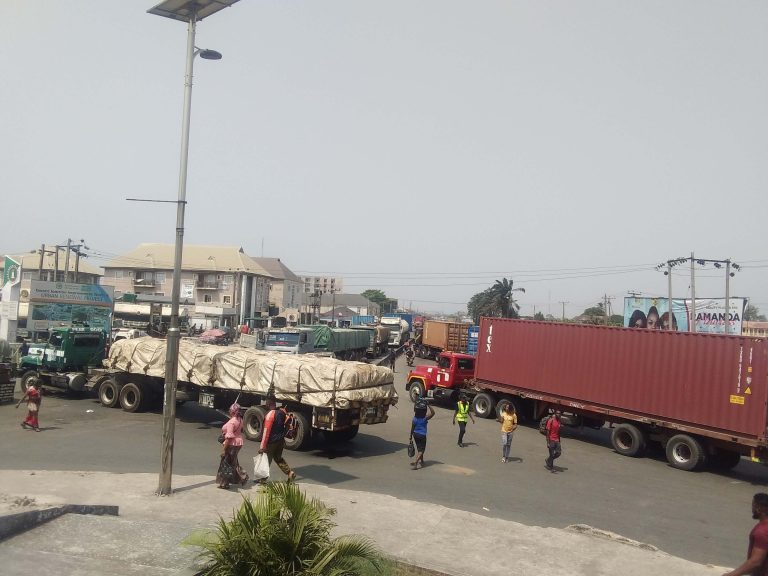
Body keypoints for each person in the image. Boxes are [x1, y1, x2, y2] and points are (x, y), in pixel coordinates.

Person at [722, 493, 768, 576]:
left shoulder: (762, 531)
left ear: (759, 508)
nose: (752, 509)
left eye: (753, 505)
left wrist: (731, 575)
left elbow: (756, 562)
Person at [259, 397, 296, 482]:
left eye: (267, 404)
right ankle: (290, 473)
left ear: (268, 404)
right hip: (280, 440)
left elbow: (266, 432)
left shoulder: (270, 415)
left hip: (272, 442)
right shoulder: (281, 413)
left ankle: (263, 480)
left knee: (266, 460)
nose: (266, 405)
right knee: (278, 458)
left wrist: (262, 446)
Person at [216, 403, 248, 489]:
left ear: (233, 411)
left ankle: (225, 483)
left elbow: (229, 437)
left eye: (230, 410)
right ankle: (239, 478)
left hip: (231, 444)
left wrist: (223, 450)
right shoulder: (240, 420)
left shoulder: (232, 422)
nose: (229, 411)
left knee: (226, 464)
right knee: (232, 462)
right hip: (238, 443)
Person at [410, 399, 435, 470]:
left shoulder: (414, 418)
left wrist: (410, 436)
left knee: (419, 448)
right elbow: (433, 413)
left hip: (415, 434)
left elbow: (412, 428)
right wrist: (428, 405)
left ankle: (422, 460)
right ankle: (415, 463)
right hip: (422, 435)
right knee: (422, 450)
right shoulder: (425, 418)